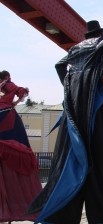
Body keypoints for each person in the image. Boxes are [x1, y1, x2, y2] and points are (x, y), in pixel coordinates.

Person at [28, 20, 103, 224]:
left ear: (86, 35)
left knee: (68, 159)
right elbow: (99, 71)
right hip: (97, 107)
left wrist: (69, 84)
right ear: (101, 32)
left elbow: (59, 65)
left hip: (74, 108)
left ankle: (61, 216)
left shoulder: (75, 48)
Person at [0, 70, 42, 222]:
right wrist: (14, 103)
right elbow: (22, 92)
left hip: (4, 117)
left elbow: (22, 92)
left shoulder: (5, 85)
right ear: (6, 77)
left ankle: (6, 205)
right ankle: (21, 202)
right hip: (8, 117)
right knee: (16, 151)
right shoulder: (8, 84)